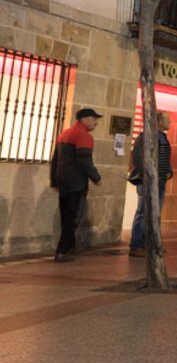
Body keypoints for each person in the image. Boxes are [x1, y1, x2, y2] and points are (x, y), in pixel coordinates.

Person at [50, 109, 104, 263]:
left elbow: (55, 160)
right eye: (94, 119)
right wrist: (96, 178)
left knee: (66, 216)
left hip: (63, 183)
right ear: (85, 119)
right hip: (76, 184)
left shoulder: (64, 133)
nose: (96, 122)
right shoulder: (84, 136)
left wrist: (54, 181)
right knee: (72, 218)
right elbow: (84, 160)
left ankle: (71, 246)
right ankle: (62, 251)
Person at [128, 111, 173, 258]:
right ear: (158, 121)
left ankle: (151, 244)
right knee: (143, 212)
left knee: (155, 213)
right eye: (167, 120)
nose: (170, 122)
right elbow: (139, 158)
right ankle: (136, 245)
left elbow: (164, 158)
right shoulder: (145, 137)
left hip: (160, 181)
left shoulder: (163, 137)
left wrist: (168, 171)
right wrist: (148, 176)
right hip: (149, 181)